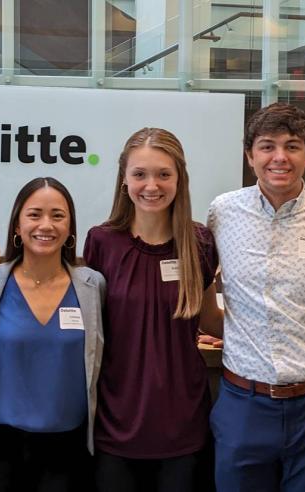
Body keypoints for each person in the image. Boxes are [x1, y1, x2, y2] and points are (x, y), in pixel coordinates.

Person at [206, 102, 305, 491]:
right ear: (250, 155)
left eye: (292, 146)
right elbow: (200, 284)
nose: (279, 157)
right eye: (267, 146)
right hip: (243, 402)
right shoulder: (222, 214)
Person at [83, 128, 222, 492]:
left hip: (182, 421)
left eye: (163, 174)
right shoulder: (102, 241)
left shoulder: (200, 243)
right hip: (116, 419)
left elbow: (208, 318)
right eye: (140, 174)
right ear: (123, 179)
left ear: (180, 178)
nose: (151, 185)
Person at [0, 177, 106, 492]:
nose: (46, 224)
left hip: (69, 448)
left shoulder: (92, 286)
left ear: (71, 228)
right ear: (17, 225)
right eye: (34, 214)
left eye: (57, 215)